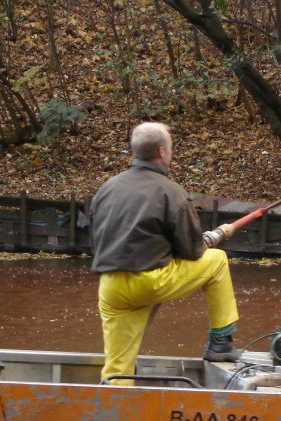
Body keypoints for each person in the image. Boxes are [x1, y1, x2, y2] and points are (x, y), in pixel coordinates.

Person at [90, 122, 241, 384]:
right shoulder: (171, 191)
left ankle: (113, 412)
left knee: (117, 367)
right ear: (162, 151)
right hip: (150, 281)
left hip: (111, 286)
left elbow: (98, 240)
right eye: (170, 147)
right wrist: (212, 237)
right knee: (217, 260)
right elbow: (192, 251)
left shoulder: (107, 188)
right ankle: (220, 344)